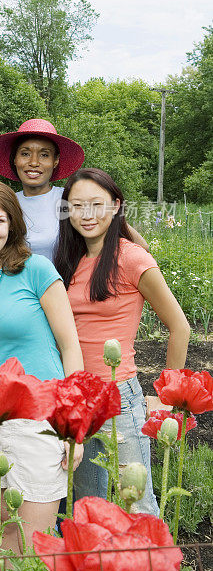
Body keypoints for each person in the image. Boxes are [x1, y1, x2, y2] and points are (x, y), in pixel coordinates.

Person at [0, 180, 84, 556]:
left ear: (12, 224)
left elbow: (70, 346)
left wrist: (72, 422)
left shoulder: (36, 269)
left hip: (43, 420)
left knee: (33, 541)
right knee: (8, 536)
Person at [54, 168, 190, 514]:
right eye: (78, 205)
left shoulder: (133, 259)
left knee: (138, 503)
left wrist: (166, 398)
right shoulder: (69, 259)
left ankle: (156, 569)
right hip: (77, 397)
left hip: (118, 398)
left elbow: (180, 327)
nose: (87, 215)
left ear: (116, 206)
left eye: (97, 204)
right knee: (89, 504)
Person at [0, 119, 149, 261]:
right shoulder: (6, 203)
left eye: (44, 155)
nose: (33, 162)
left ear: (55, 161)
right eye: (25, 154)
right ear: (15, 159)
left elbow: (140, 245)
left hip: (67, 293)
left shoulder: (69, 199)